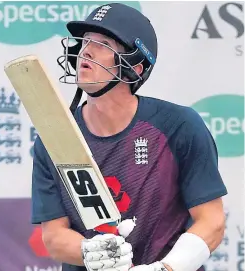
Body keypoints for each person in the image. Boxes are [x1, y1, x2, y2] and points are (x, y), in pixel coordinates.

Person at [31, 3, 228, 271]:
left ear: (135, 67)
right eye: (85, 40)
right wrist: (91, 252)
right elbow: (54, 236)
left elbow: (212, 221)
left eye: (103, 43)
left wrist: (166, 268)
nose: (85, 50)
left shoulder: (179, 125)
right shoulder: (53, 139)